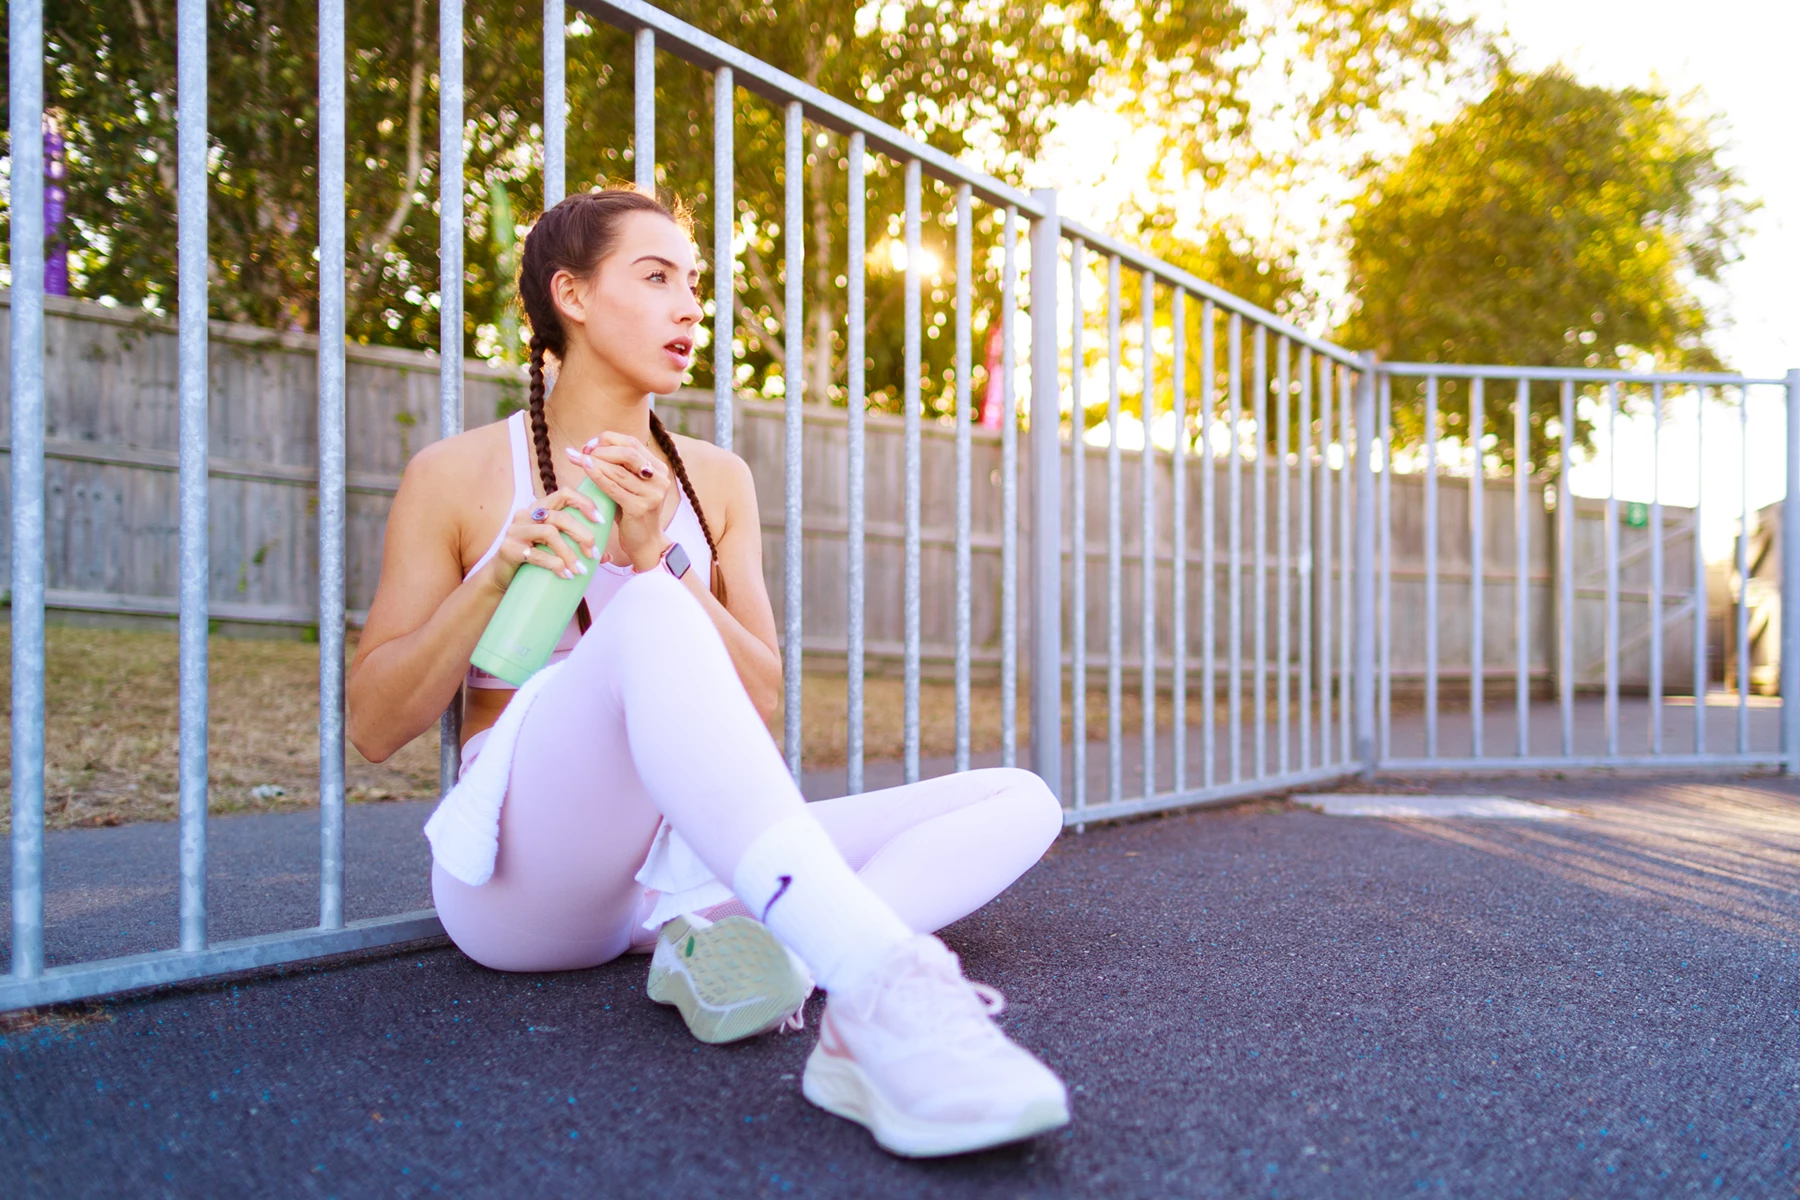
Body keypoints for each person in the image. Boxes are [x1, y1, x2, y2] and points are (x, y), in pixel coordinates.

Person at [346, 186, 1070, 1158]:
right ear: (571, 294)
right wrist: (493, 583)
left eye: (695, 284)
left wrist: (661, 557)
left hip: (674, 877)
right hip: (525, 889)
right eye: (656, 278)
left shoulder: (714, 480)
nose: (691, 307)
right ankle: (871, 982)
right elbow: (377, 724)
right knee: (644, 617)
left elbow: (761, 701)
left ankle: (758, 956)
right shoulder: (461, 473)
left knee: (1019, 801)